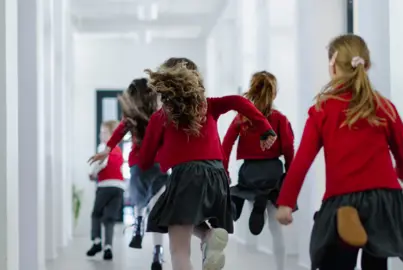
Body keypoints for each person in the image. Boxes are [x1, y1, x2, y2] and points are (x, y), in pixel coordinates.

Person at [276, 34, 403, 270]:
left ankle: (350, 221)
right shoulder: (383, 107)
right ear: (366, 65)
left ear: (332, 66)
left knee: (335, 262)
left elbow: (302, 161)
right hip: (384, 197)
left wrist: (286, 202)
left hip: (343, 197)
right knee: (377, 263)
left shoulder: (322, 109)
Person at [130, 57, 276, 270]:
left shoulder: (161, 117)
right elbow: (238, 101)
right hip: (217, 177)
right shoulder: (209, 106)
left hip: (187, 177)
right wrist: (265, 127)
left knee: (178, 249)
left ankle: (207, 236)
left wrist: (148, 151)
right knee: (181, 211)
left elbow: (144, 161)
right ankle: (208, 235)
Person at [90, 78, 167, 270]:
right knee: (154, 207)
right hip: (156, 164)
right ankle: (157, 251)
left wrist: (107, 149)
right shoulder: (158, 115)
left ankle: (140, 226)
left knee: (140, 200)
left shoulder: (136, 116)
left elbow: (117, 133)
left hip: (142, 164)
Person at [222, 71, 294, 270]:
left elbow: (226, 145)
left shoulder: (242, 119)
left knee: (245, 191)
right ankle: (281, 268)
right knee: (275, 229)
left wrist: (224, 172)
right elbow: (288, 149)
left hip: (250, 173)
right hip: (273, 173)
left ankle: (241, 201)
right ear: (274, 94)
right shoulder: (280, 119)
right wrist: (289, 177)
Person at [86, 120, 125, 260]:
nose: (100, 135)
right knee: (110, 218)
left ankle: (97, 241)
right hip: (119, 187)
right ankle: (108, 247)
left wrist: (93, 173)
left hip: (105, 186)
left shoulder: (104, 147)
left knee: (96, 214)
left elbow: (102, 163)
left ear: (112, 135)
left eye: (103, 132)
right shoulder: (119, 150)